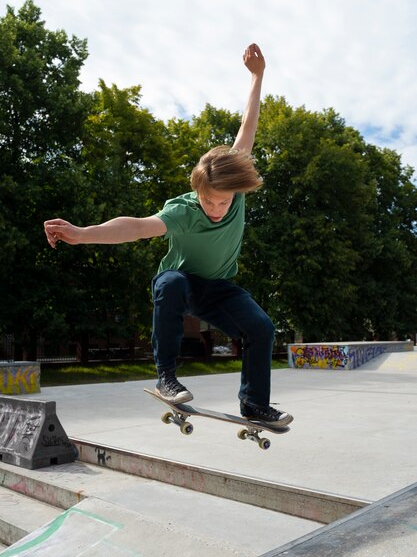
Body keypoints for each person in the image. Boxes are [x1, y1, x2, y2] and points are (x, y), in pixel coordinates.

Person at [44, 43, 293, 428]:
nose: (216, 210)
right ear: (197, 193)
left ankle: (255, 404)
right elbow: (137, 227)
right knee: (172, 282)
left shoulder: (234, 183)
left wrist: (258, 76)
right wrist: (83, 234)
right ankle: (166, 376)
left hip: (219, 289)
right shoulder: (182, 211)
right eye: (209, 202)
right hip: (180, 284)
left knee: (261, 327)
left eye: (224, 203)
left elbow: (248, 127)